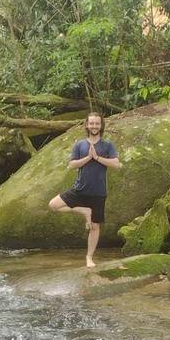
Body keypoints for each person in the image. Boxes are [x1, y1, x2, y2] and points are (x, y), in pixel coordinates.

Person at [48, 112, 122, 268]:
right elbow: (72, 165)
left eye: (97, 123)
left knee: (95, 226)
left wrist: (97, 158)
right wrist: (88, 158)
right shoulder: (80, 144)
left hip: (98, 193)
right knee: (53, 205)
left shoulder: (107, 145)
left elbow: (117, 164)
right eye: (91, 123)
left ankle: (89, 257)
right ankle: (84, 211)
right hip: (79, 189)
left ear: (101, 126)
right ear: (87, 125)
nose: (94, 126)